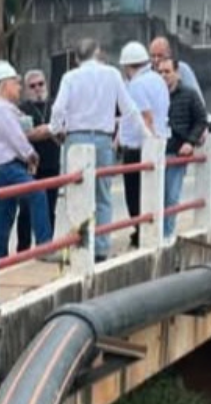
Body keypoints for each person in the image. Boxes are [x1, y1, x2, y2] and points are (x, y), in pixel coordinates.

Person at [50, 37, 140, 262]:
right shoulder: (112, 74)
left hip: (76, 138)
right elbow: (129, 109)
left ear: (77, 57)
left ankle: (80, 247)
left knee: (76, 195)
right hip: (102, 139)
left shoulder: (69, 77)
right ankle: (100, 248)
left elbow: (58, 108)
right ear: (97, 52)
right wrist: (141, 134)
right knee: (102, 195)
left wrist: (56, 129)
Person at [0, 60, 51, 259]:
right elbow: (17, 138)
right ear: (5, 84)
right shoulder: (2, 109)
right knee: (38, 193)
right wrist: (31, 155)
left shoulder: (2, 108)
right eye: (16, 83)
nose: (19, 88)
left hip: (2, 167)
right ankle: (44, 247)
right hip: (9, 166)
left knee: (4, 214)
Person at [119, 40, 169, 249]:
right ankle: (147, 230)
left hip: (140, 148)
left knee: (135, 195)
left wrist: (148, 141)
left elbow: (145, 117)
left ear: (129, 66)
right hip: (156, 144)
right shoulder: (158, 80)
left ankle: (141, 231)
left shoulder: (137, 85)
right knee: (151, 193)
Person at [159, 56, 207, 239]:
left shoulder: (189, 94)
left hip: (176, 153)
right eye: (160, 72)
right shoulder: (155, 94)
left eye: (167, 72)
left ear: (177, 73)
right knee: (155, 197)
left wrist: (190, 142)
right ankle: (155, 235)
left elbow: (201, 120)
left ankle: (167, 236)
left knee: (171, 197)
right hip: (156, 153)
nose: (163, 76)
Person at [17, 67, 61, 251]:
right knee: (26, 210)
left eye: (40, 84)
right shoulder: (22, 109)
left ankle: (46, 245)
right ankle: (23, 248)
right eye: (32, 85)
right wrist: (48, 131)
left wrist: (42, 132)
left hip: (51, 164)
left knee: (50, 207)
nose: (37, 88)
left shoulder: (55, 106)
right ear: (26, 89)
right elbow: (24, 135)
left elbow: (61, 131)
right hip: (30, 166)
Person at [150, 35, 203, 102]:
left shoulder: (182, 69)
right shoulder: (147, 73)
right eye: (153, 56)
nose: (156, 60)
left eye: (160, 55)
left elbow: (198, 99)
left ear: (169, 53)